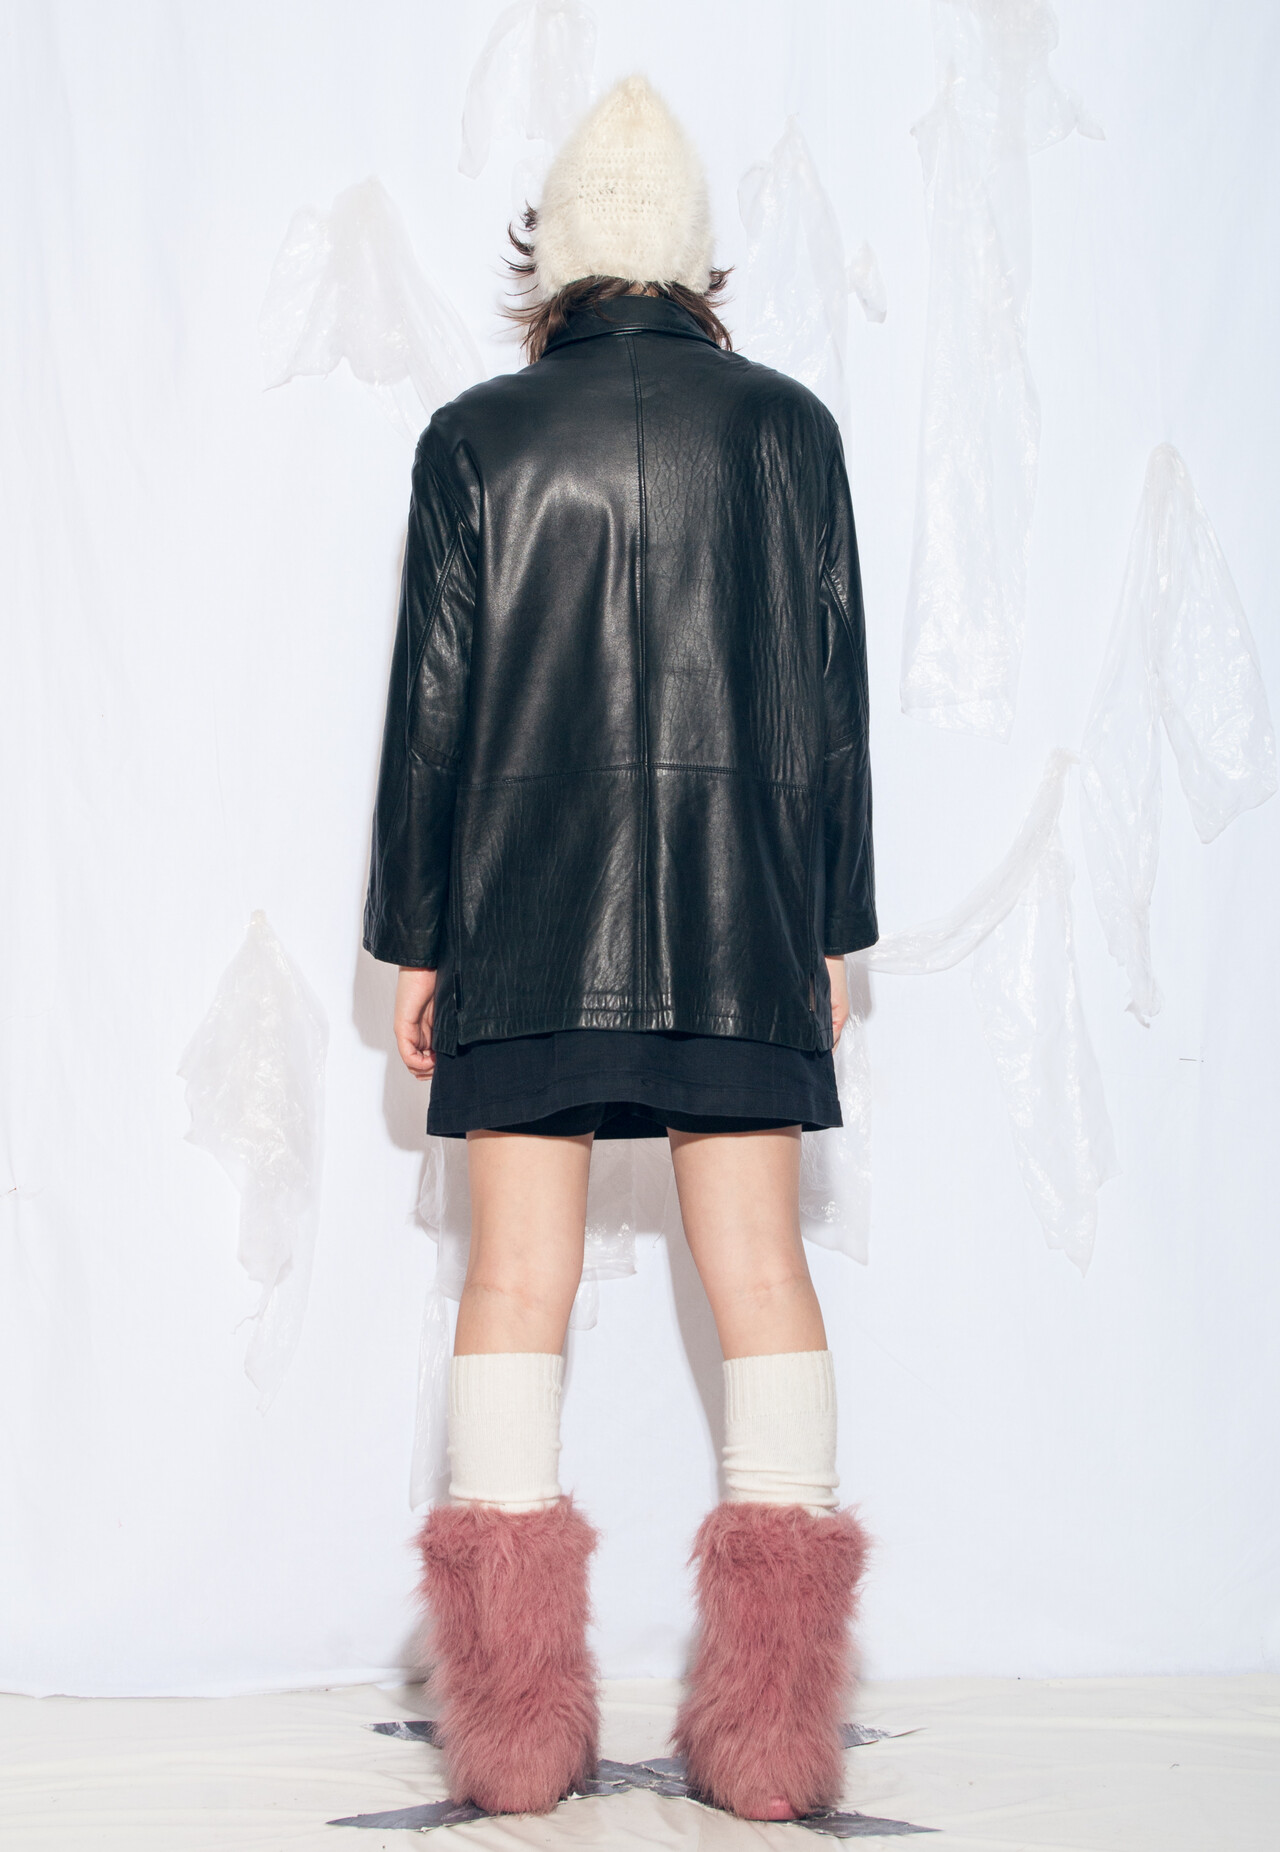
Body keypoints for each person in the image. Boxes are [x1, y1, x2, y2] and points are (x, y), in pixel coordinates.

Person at [362, 74, 877, 1823]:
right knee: (763, 1280)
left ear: (555, 264)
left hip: (521, 924)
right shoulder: (789, 431)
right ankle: (776, 1740)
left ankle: (511, 1737)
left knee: (511, 1287)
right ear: (697, 265)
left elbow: (430, 721)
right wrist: (826, 929)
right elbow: (831, 715)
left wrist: (420, 942)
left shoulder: (477, 439)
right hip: (743, 923)